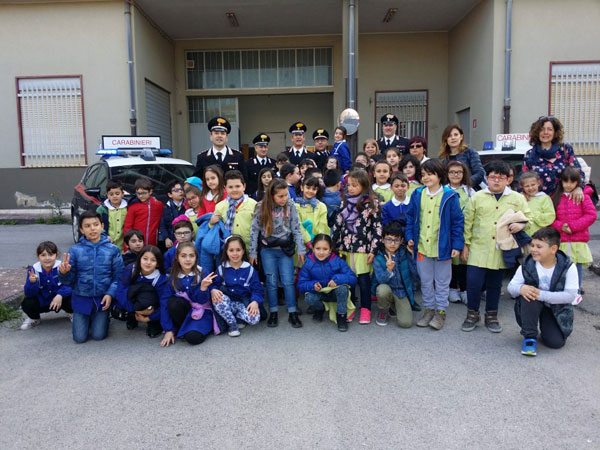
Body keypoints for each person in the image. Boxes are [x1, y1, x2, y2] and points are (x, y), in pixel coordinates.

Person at [461, 160, 530, 333]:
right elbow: (467, 221)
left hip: (501, 249)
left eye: (501, 177)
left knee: (494, 284)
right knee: (473, 283)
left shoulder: (517, 198)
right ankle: (472, 313)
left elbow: (529, 216)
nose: (496, 181)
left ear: (508, 179)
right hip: (478, 247)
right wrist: (465, 245)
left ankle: (491, 315)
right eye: (493, 177)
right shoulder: (477, 197)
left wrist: (521, 225)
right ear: (487, 178)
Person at [406, 159, 464, 330]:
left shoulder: (450, 196)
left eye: (430, 174)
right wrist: (410, 236)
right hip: (423, 246)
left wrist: (457, 245)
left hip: (443, 248)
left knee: (442, 282)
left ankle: (441, 312)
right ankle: (429, 309)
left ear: (439, 175)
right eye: (423, 174)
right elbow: (410, 218)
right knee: (425, 281)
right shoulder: (417, 194)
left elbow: (458, 222)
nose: (426, 178)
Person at [508, 227, 577, 356]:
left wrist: (541, 294)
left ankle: (546, 326)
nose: (533, 249)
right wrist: (521, 288)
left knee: (555, 343)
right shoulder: (527, 264)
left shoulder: (568, 266)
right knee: (528, 293)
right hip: (532, 304)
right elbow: (511, 287)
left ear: (553, 249)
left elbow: (570, 295)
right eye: (532, 245)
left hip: (556, 308)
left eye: (539, 247)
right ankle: (530, 337)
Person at [59, 210, 124, 343]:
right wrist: (64, 273)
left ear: (102, 226)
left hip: (102, 298)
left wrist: (110, 294)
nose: (92, 228)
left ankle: (103, 318)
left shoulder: (112, 249)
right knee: (79, 338)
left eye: (95, 224)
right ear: (81, 230)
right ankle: (85, 319)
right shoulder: (75, 250)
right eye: (87, 226)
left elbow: (119, 276)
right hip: (81, 297)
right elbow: (68, 281)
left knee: (98, 336)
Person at [249, 178, 305, 328]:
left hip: (285, 249)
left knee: (288, 281)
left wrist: (301, 248)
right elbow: (254, 231)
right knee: (271, 282)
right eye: (280, 196)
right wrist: (253, 252)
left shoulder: (290, 204)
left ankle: (292, 311)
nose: (284, 198)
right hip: (268, 251)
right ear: (271, 195)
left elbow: (296, 227)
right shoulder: (261, 207)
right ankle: (273, 311)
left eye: (286, 195)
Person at [332, 168, 382, 324]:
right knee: (349, 280)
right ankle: (350, 306)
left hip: (363, 249)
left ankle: (366, 308)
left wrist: (373, 250)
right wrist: (334, 246)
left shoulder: (371, 203)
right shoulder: (344, 202)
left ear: (364, 185)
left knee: (364, 280)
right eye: (349, 185)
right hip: (345, 249)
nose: (351, 188)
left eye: (354, 185)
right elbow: (337, 225)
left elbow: (377, 228)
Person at [551, 166, 596, 294]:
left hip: (578, 239)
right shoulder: (555, 197)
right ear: (561, 181)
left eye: (572, 182)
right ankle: (562, 291)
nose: (569, 185)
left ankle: (576, 291)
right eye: (566, 181)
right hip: (561, 240)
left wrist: (573, 226)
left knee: (576, 268)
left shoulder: (584, 196)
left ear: (578, 182)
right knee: (560, 267)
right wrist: (561, 227)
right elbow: (549, 217)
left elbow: (591, 215)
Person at [297, 234, 357, 332]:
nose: (321, 252)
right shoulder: (308, 264)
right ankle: (319, 309)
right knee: (309, 298)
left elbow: (353, 278)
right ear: (313, 248)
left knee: (343, 289)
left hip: (334, 294)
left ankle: (341, 316)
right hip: (319, 294)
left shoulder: (338, 261)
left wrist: (337, 279)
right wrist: (313, 285)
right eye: (318, 248)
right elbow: (301, 285)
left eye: (325, 249)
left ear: (330, 249)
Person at [161, 242, 217, 347]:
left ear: (196, 257)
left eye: (191, 255)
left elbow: (202, 301)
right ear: (177, 257)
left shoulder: (203, 273)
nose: (187, 259)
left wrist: (203, 288)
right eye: (183, 256)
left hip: (202, 312)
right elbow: (164, 302)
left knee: (193, 338)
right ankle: (180, 327)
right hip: (184, 311)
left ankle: (192, 328)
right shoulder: (172, 277)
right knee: (173, 302)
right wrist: (168, 329)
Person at [210, 235, 264, 337]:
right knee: (217, 299)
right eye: (231, 250)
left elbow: (257, 289)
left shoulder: (250, 269)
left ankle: (239, 317)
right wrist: (213, 290)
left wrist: (255, 301)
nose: (235, 254)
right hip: (227, 302)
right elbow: (214, 284)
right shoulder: (222, 268)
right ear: (226, 251)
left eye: (238, 250)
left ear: (243, 251)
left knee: (254, 319)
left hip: (242, 303)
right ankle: (232, 324)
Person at [522, 115, 585, 197]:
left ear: (555, 133)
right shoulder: (530, 155)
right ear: (537, 133)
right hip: (539, 202)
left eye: (550, 129)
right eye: (541, 129)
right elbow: (523, 179)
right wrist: (523, 193)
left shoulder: (565, 149)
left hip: (563, 201)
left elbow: (578, 172)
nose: (545, 132)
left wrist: (579, 188)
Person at [115, 245, 169, 338]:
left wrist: (150, 317)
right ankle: (132, 315)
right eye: (145, 259)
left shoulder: (160, 278)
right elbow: (120, 290)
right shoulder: (131, 269)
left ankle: (154, 323)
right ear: (139, 259)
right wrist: (135, 310)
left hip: (151, 306)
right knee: (129, 293)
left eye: (153, 260)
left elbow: (164, 303)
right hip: (135, 303)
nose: (148, 263)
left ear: (158, 263)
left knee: (149, 294)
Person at [21, 241, 73, 330]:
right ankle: (34, 318)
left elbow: (70, 285)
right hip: (43, 301)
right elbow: (29, 293)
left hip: (60, 300)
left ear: (56, 255)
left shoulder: (62, 267)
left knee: (74, 297)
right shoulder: (33, 270)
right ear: (38, 256)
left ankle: (71, 312)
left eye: (51, 254)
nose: (47, 258)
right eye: (43, 255)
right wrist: (32, 283)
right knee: (27, 302)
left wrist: (60, 295)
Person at [373, 222, 415, 328]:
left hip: (401, 292)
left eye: (396, 240)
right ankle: (383, 310)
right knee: (382, 289)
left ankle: (393, 307)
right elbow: (380, 280)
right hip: (387, 289)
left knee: (406, 323)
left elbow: (415, 273)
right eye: (389, 239)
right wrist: (388, 270)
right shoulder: (378, 258)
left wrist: (411, 254)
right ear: (382, 240)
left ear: (401, 241)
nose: (392, 243)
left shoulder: (404, 253)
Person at [446, 161, 475, 304]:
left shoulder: (469, 191)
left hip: (465, 230)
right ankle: (451, 288)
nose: (455, 175)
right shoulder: (444, 190)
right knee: (452, 262)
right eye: (452, 172)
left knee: (465, 261)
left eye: (459, 172)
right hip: (449, 231)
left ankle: (464, 289)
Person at [211, 170, 258, 256]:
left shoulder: (253, 204)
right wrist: (211, 223)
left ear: (244, 186)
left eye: (237, 186)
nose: (234, 190)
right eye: (231, 187)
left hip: (249, 250)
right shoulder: (220, 207)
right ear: (225, 188)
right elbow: (215, 230)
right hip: (228, 251)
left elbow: (258, 228)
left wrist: (254, 252)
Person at [194, 116, 247, 182]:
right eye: (216, 133)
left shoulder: (238, 156)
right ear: (211, 137)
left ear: (226, 137)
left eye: (222, 133)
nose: (219, 136)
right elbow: (197, 180)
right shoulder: (202, 157)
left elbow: (244, 179)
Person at [439, 124, 485, 189]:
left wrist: (463, 185)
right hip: (449, 192)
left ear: (461, 137)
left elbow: (479, 173)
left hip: (471, 191)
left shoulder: (470, 152)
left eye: (456, 135)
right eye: (449, 136)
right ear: (446, 139)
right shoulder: (442, 158)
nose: (453, 138)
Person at [123, 178, 164, 247]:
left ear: (150, 191)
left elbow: (162, 222)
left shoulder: (158, 205)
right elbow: (127, 227)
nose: (140, 196)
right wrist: (127, 245)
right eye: (138, 193)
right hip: (136, 245)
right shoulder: (133, 206)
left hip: (153, 244)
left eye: (143, 193)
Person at [296, 176, 330, 246]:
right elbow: (298, 225)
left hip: (318, 244)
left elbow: (323, 226)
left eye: (314, 189)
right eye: (308, 188)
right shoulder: (296, 206)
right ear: (302, 188)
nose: (310, 191)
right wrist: (308, 241)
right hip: (301, 244)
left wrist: (318, 242)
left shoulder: (321, 206)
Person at [520, 171, 556, 237]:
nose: (530, 188)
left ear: (538, 183)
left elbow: (550, 216)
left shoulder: (544, 198)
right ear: (522, 187)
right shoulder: (520, 198)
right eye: (527, 186)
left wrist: (534, 215)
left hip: (540, 234)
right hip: (523, 235)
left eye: (533, 185)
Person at [96, 180, 128, 252]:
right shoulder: (102, 209)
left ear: (122, 194)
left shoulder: (128, 208)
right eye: (111, 194)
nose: (114, 196)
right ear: (107, 195)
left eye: (117, 193)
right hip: (107, 245)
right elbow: (97, 225)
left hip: (124, 247)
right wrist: (104, 236)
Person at [158, 180, 187, 250]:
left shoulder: (188, 205)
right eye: (176, 190)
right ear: (170, 195)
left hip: (186, 239)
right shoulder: (166, 207)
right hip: (171, 241)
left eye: (181, 189)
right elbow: (163, 225)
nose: (180, 192)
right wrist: (166, 238)